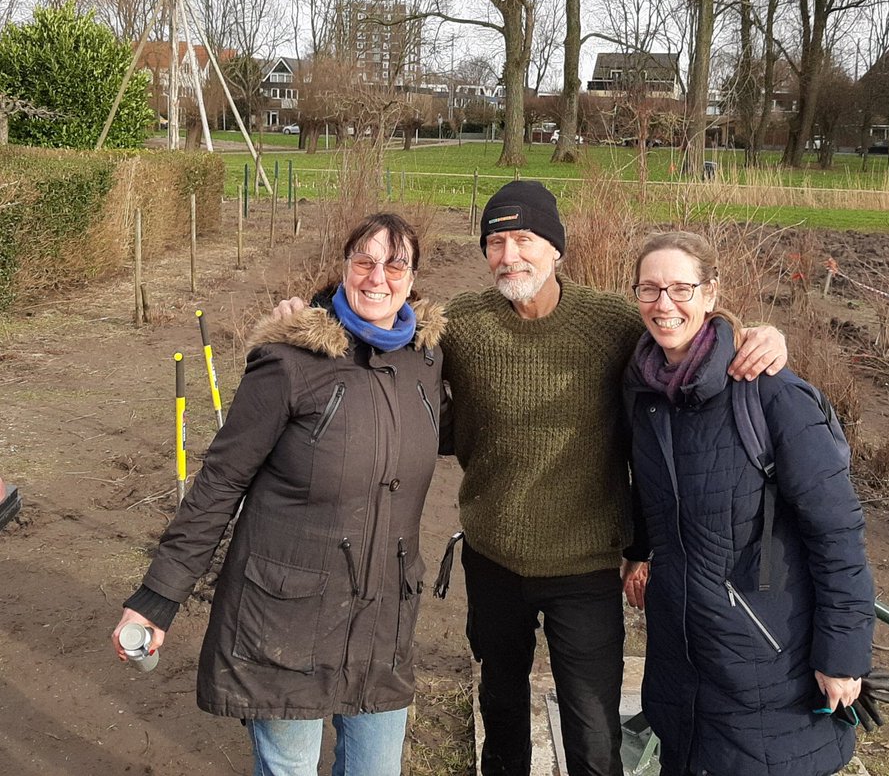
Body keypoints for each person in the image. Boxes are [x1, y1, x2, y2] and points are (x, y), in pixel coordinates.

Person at [271, 180, 787, 776]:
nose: (509, 255)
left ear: (556, 249)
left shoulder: (612, 323)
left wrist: (751, 334)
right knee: (503, 713)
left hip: (585, 566)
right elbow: (375, 331)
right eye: (496, 241)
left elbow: (685, 337)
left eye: (524, 239)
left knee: (594, 735)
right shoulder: (462, 323)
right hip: (492, 560)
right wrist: (304, 320)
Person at [112, 212, 448, 776]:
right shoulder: (291, 361)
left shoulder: (427, 361)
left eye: (395, 264)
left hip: (382, 617)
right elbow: (222, 481)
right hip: (286, 616)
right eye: (364, 261)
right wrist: (157, 598)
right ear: (343, 269)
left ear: (414, 279)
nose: (377, 277)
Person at [622, 230, 875, 776]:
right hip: (681, 651)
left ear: (711, 293)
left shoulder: (771, 393)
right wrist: (639, 553)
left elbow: (838, 533)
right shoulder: (643, 392)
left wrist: (843, 656)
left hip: (768, 656)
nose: (664, 304)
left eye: (681, 288)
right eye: (649, 289)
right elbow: (651, 493)